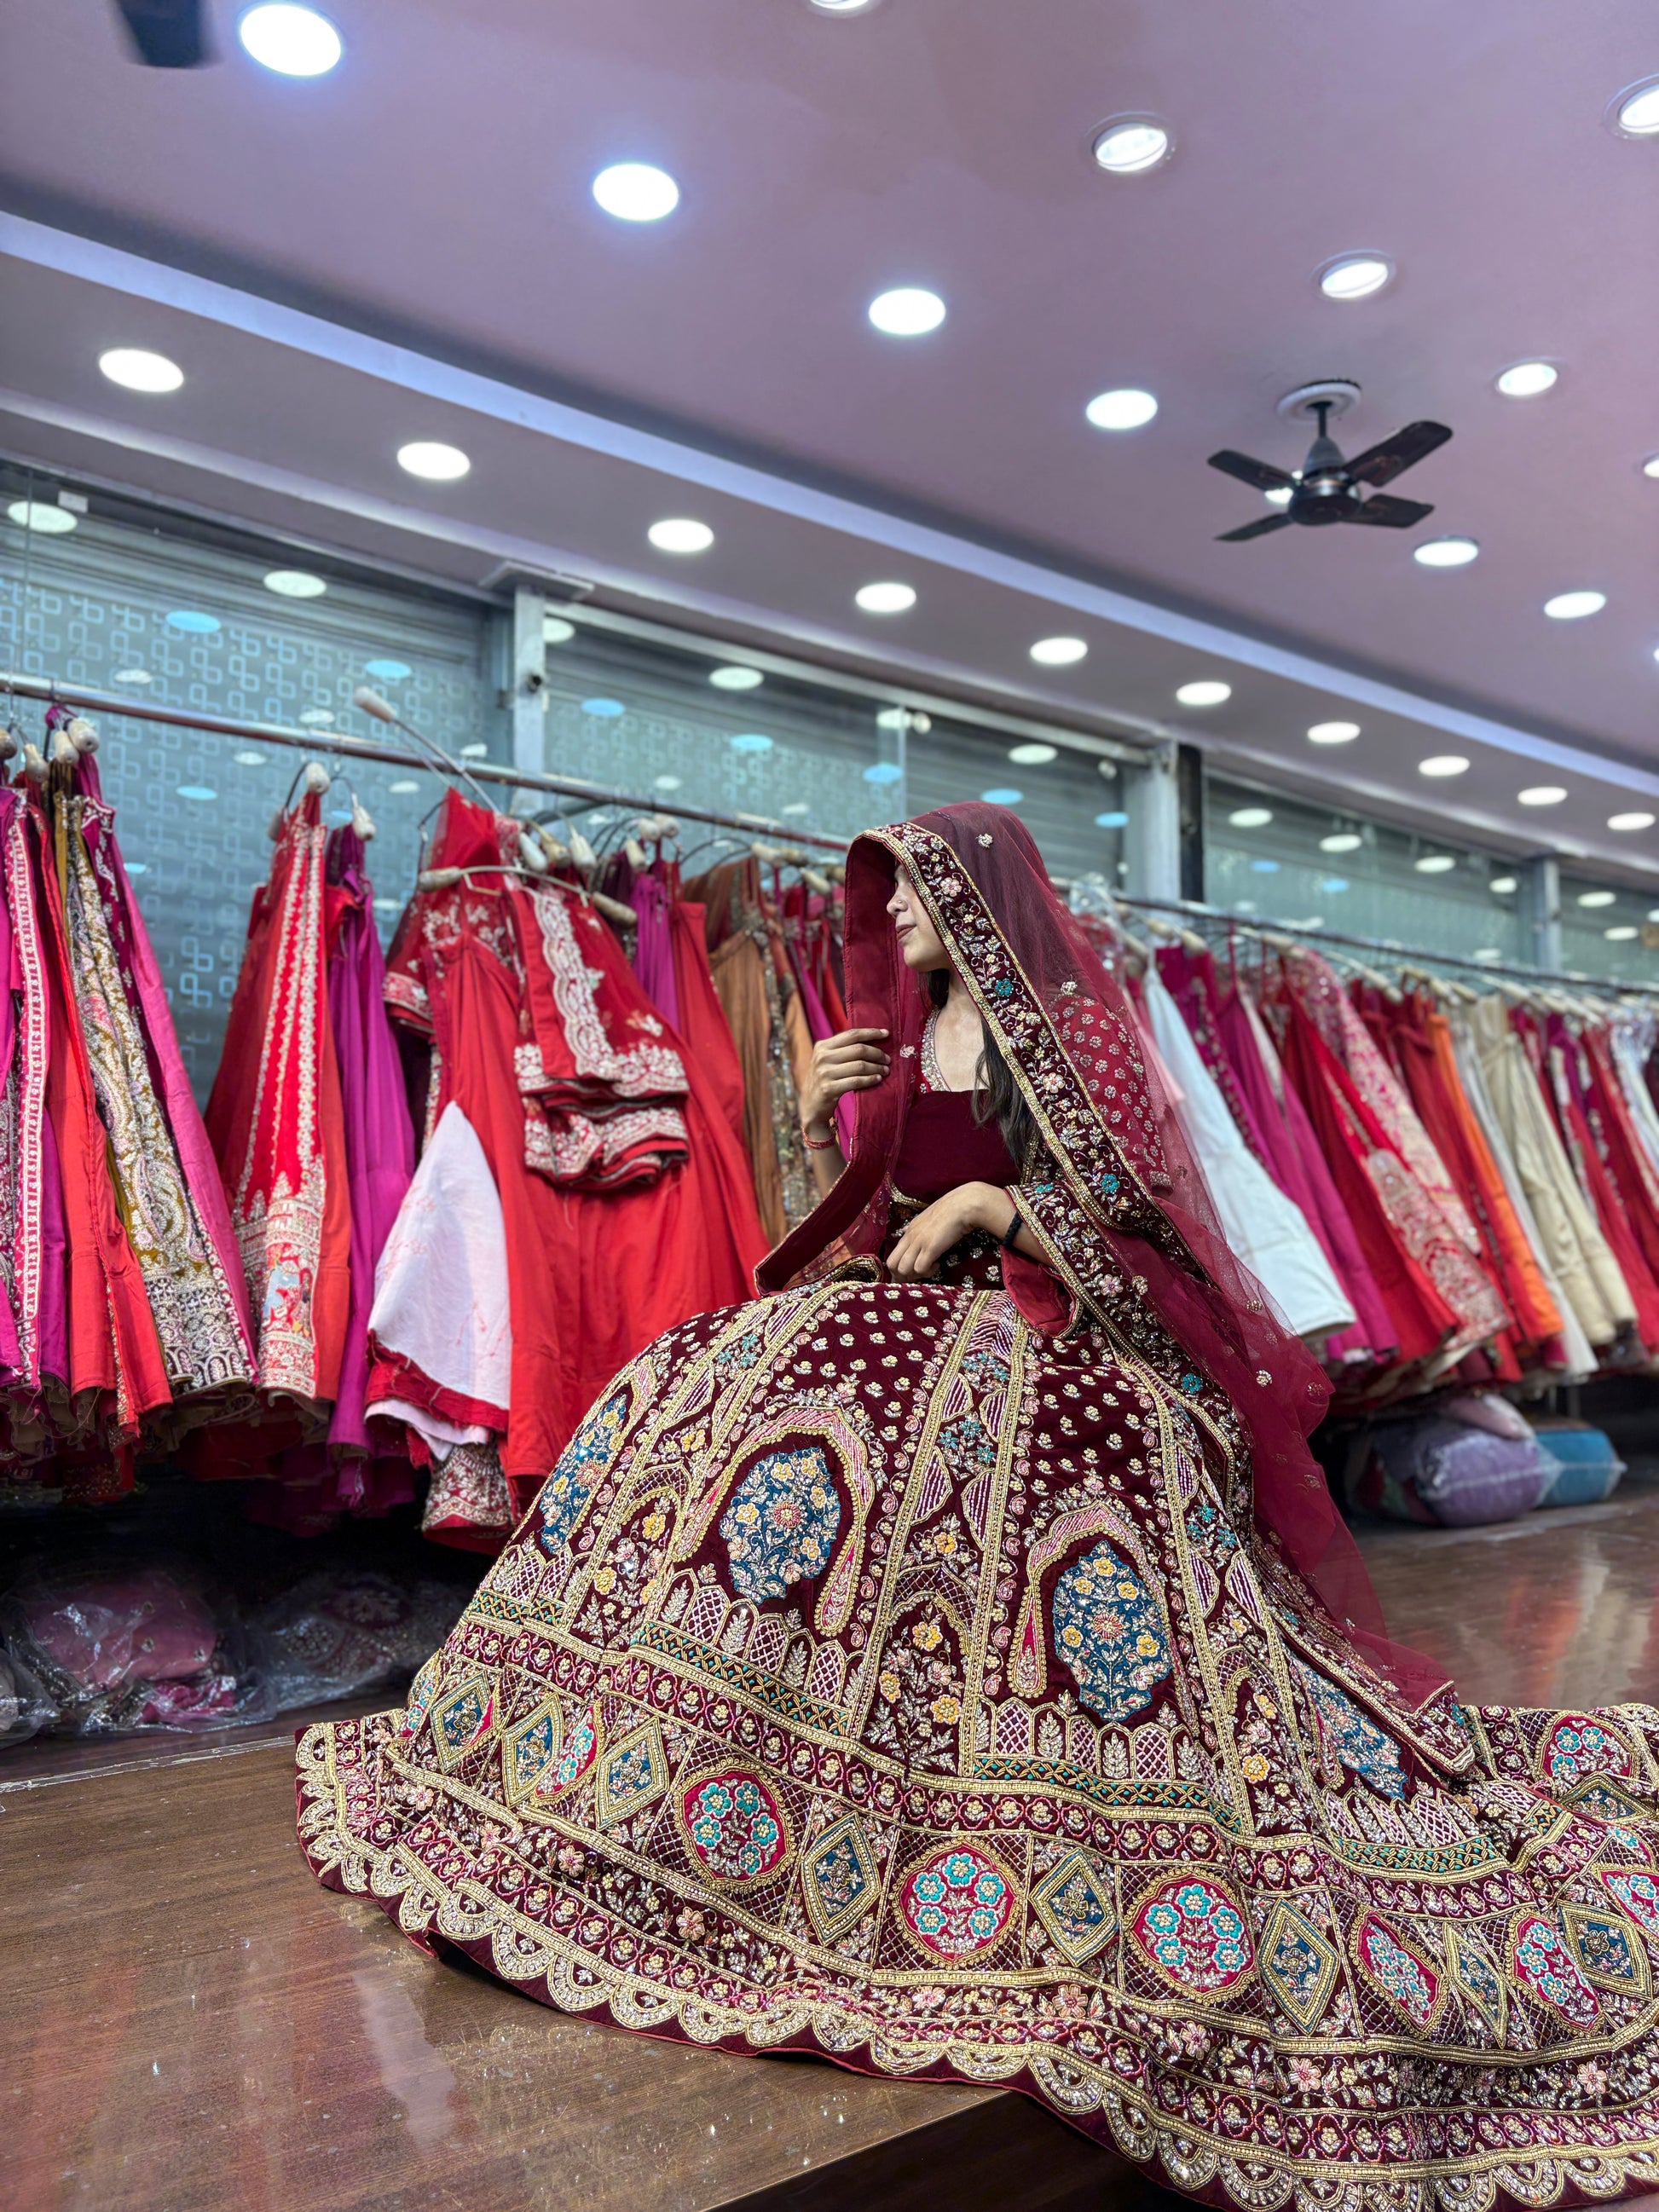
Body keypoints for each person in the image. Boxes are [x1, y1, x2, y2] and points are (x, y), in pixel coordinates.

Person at [299, 803, 1659, 2210]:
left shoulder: (1068, 1035)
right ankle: (680, 1769)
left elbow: (1149, 1221)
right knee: (698, 1378)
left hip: (1059, 1338)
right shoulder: (903, 1041)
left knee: (913, 1433)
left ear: (975, 896)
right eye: (884, 896)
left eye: (911, 893)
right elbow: (874, 1222)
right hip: (917, 1319)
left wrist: (1002, 1215)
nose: (888, 917)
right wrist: (825, 1121)